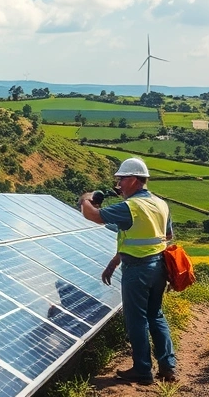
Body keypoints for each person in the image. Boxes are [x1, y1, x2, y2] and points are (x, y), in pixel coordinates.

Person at [79, 157, 177, 385]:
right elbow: (165, 236)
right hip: (159, 266)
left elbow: (93, 215)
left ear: (133, 180)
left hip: (138, 271)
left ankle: (142, 371)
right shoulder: (160, 203)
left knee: (136, 320)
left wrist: (86, 200)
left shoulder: (130, 207)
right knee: (156, 315)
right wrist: (115, 261)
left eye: (121, 179)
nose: (119, 184)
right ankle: (168, 367)